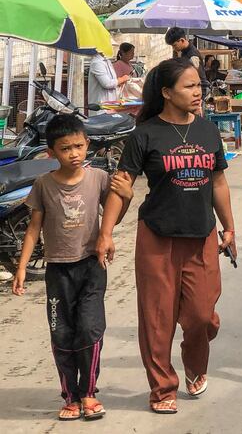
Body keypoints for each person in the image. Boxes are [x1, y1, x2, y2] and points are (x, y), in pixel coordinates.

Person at [96, 58, 237, 414]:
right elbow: (122, 186)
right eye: (189, 86)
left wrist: (229, 226)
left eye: (198, 85)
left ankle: (194, 363)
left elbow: (218, 181)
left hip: (201, 233)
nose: (198, 91)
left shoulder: (207, 130)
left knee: (203, 316)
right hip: (157, 237)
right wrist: (106, 232)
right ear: (166, 93)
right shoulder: (145, 134)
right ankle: (162, 390)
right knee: (157, 318)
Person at [12, 114, 134, 421]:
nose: (74, 154)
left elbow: (113, 217)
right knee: (62, 333)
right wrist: (22, 268)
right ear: (51, 152)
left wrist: (128, 198)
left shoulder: (98, 179)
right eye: (65, 148)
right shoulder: (43, 185)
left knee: (89, 329)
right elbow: (33, 228)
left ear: (87, 144)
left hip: (92, 266)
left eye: (79, 146)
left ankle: (89, 393)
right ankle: (70, 396)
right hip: (58, 272)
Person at [164, 27, 210, 101]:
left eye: (174, 45)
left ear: (182, 40)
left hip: (199, 91)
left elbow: (193, 75)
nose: (173, 48)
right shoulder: (184, 52)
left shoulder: (192, 55)